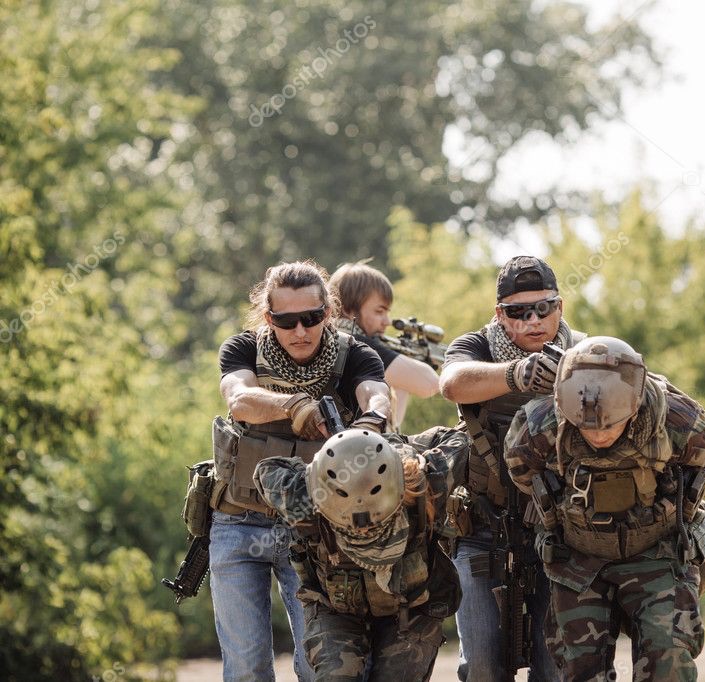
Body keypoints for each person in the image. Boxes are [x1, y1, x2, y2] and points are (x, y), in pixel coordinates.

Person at [504, 336, 705, 682]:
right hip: (578, 558)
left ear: (634, 404)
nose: (598, 435)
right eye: (587, 426)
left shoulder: (676, 420)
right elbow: (521, 471)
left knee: (668, 658)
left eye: (609, 425)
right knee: (579, 671)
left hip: (659, 552)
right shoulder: (541, 425)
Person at [212, 260, 391, 681]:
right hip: (239, 523)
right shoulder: (242, 349)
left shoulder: (352, 355)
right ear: (267, 317)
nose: (300, 331)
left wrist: (371, 420)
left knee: (317, 668)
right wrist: (294, 406)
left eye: (311, 318)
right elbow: (239, 398)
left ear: (328, 312)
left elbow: (376, 393)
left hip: (314, 532)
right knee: (247, 667)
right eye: (286, 321)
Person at [438, 255, 584, 681]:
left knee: (554, 665)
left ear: (560, 307)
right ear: (500, 315)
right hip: (483, 528)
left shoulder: (582, 352)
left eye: (544, 308)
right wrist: (518, 374)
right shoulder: (477, 347)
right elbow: (452, 383)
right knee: (483, 665)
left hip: (559, 531)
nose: (533, 320)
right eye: (519, 312)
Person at [253, 426, 469, 681]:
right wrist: (315, 475)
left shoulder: (429, 478)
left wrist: (395, 446)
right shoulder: (305, 496)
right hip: (336, 611)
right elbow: (266, 470)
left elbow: (458, 439)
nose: (365, 529)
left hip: (411, 610)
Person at [329, 262, 440, 429]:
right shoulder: (356, 342)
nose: (387, 321)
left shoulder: (331, 338)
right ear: (349, 310)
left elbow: (393, 423)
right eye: (379, 311)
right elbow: (430, 384)